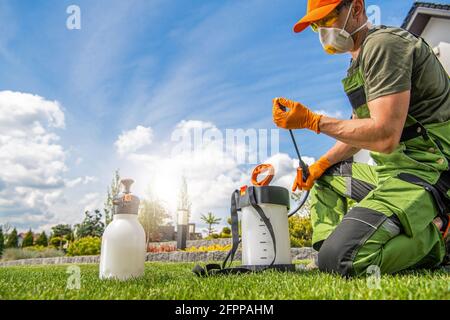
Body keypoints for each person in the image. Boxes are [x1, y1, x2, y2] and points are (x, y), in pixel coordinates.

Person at [273, 0, 450, 276]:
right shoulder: (358, 64)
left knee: (344, 259)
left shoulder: (383, 46)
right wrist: (319, 165)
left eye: (327, 19)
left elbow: (385, 136)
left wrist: (313, 121)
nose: (322, 32)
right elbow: (359, 131)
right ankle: (325, 256)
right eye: (316, 26)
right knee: (326, 178)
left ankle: (440, 238)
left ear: (355, 8)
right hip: (391, 173)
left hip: (429, 172)